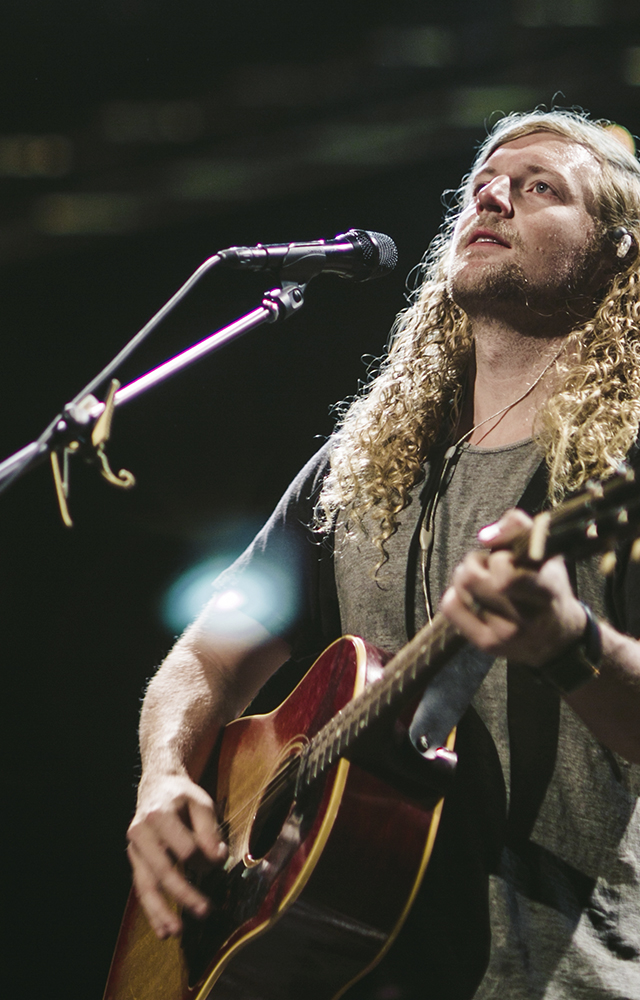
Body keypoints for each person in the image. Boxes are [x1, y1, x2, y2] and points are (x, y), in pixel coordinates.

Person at [126, 109, 640, 998]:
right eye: (485, 183)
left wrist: (568, 642)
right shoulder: (360, 467)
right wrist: (163, 779)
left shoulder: (618, 470)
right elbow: (208, 652)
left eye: (540, 187)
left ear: (617, 251)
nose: (493, 196)